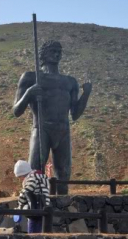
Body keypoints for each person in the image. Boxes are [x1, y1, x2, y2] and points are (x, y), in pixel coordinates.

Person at [13, 40, 92, 195]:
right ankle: (37, 209)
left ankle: (62, 212)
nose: (57, 54)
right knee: (36, 173)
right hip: (42, 129)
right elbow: (16, 111)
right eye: (53, 51)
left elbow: (75, 114)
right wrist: (29, 93)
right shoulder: (30, 78)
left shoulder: (69, 82)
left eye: (59, 51)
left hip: (63, 130)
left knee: (63, 176)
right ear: (43, 54)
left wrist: (86, 94)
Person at [14, 160, 50, 233]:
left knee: (32, 235)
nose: (20, 179)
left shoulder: (31, 179)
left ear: (23, 174)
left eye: (20, 177)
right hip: (45, 208)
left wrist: (19, 207)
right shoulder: (42, 177)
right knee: (41, 233)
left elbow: (25, 192)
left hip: (35, 211)